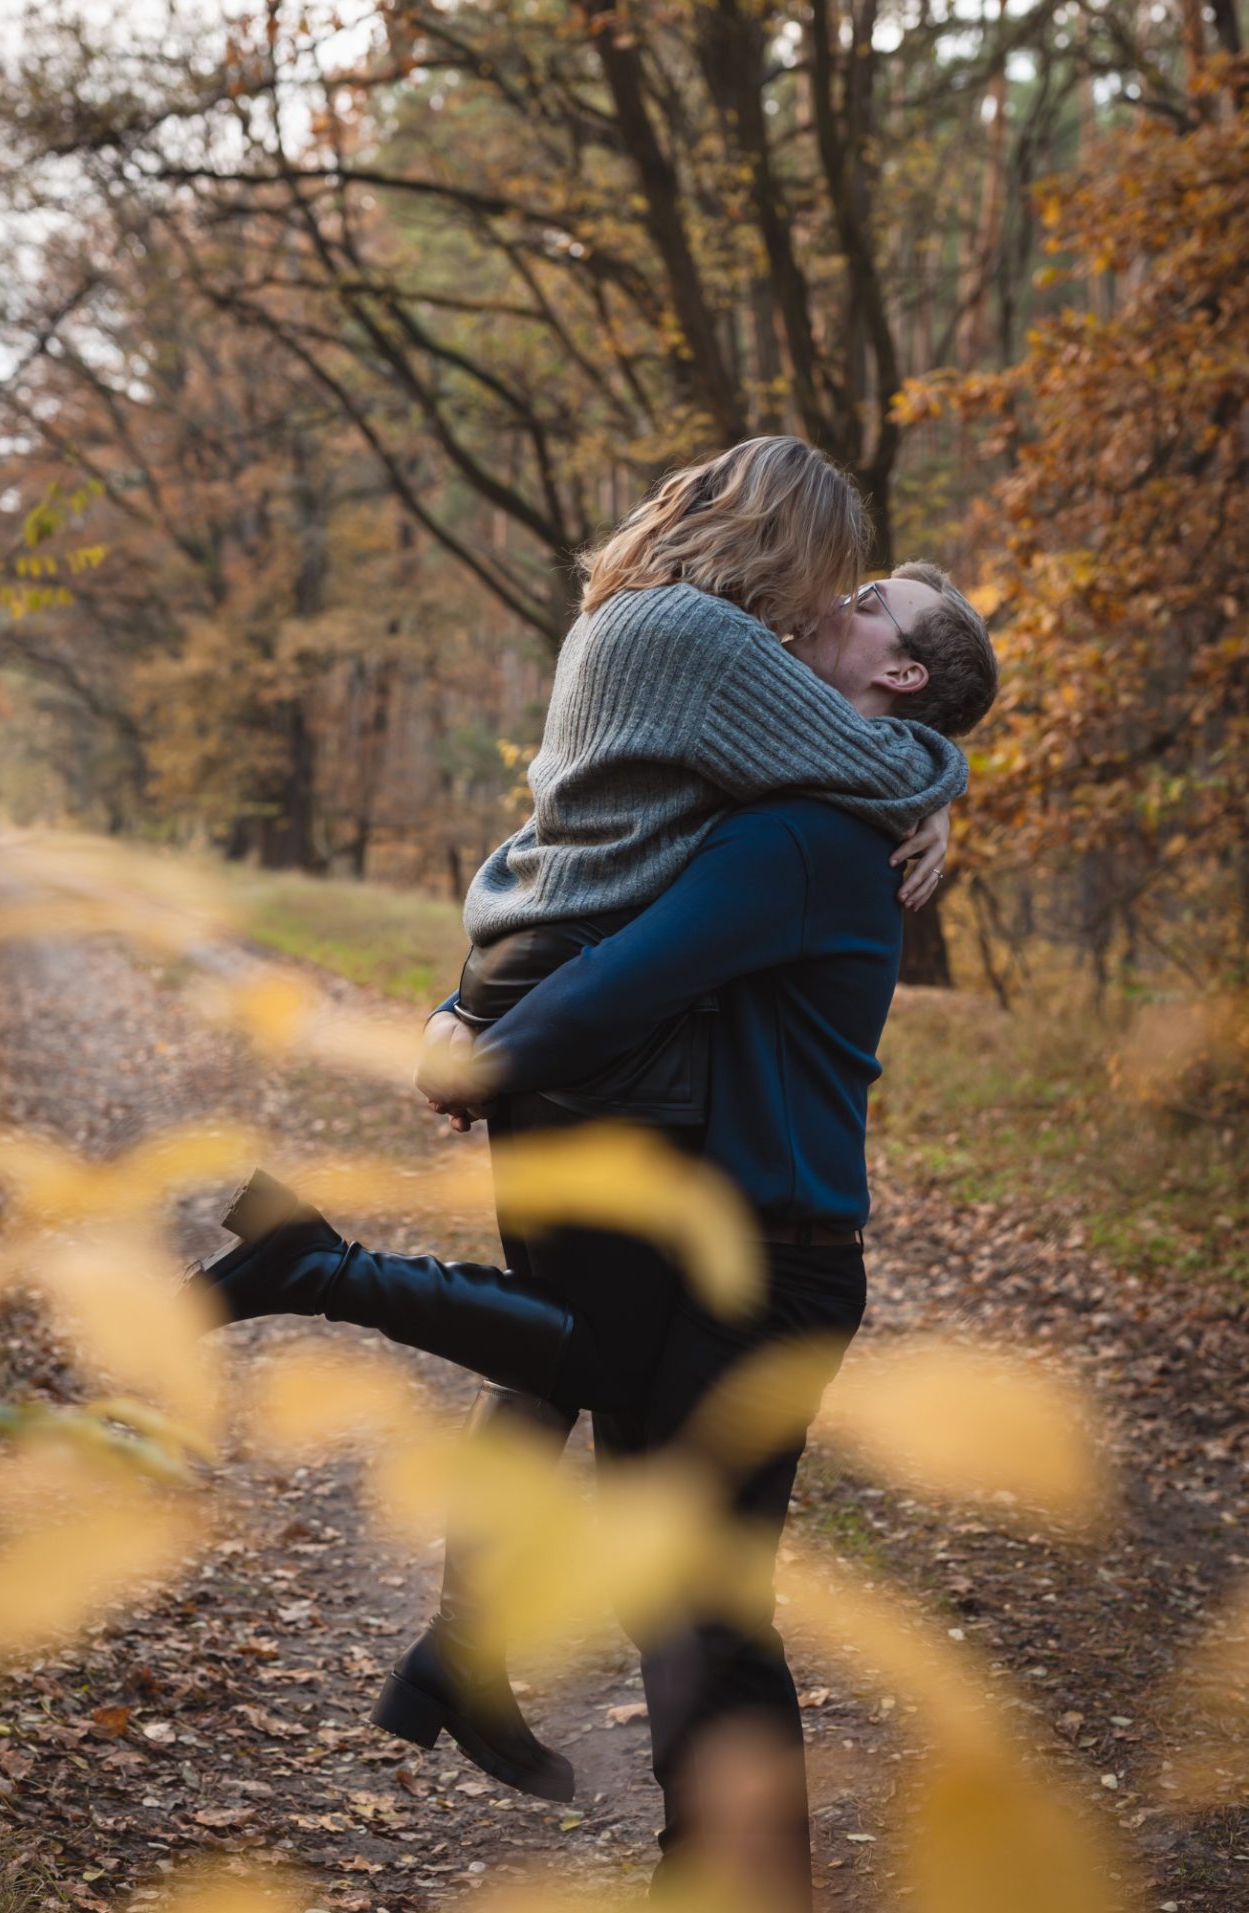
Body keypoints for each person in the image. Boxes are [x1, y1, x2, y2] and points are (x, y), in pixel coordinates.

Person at [182, 555, 998, 1893]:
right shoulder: (802, 801)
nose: (824, 607)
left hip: (771, 1257)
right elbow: (587, 844)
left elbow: (625, 979)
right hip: (731, 1245)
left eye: (861, 608)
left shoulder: (799, 834)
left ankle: (314, 1272)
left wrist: (469, 1055)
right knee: (675, 1597)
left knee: (705, 1612)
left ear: (899, 674)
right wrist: (936, 782)